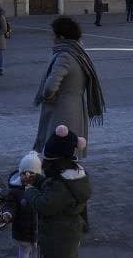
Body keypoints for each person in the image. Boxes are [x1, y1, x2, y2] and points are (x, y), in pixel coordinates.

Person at [33, 17, 107, 159]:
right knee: (71, 147)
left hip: (62, 109)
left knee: (58, 146)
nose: (51, 37)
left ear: (60, 37)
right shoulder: (79, 53)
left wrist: (48, 95)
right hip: (77, 106)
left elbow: (49, 87)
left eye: (53, 34)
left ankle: (61, 176)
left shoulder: (64, 56)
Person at [25, 125, 91, 258]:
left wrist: (29, 190)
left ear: (55, 162)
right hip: (69, 233)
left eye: (47, 163)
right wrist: (37, 179)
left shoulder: (61, 185)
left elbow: (44, 205)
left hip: (57, 236)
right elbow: (55, 189)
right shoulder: (73, 176)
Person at [2, 152, 43, 258]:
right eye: (24, 173)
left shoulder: (42, 188)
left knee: (37, 252)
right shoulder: (16, 191)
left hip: (39, 231)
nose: (27, 176)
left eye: (31, 173)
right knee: (24, 252)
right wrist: (7, 213)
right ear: (20, 173)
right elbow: (10, 204)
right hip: (22, 232)